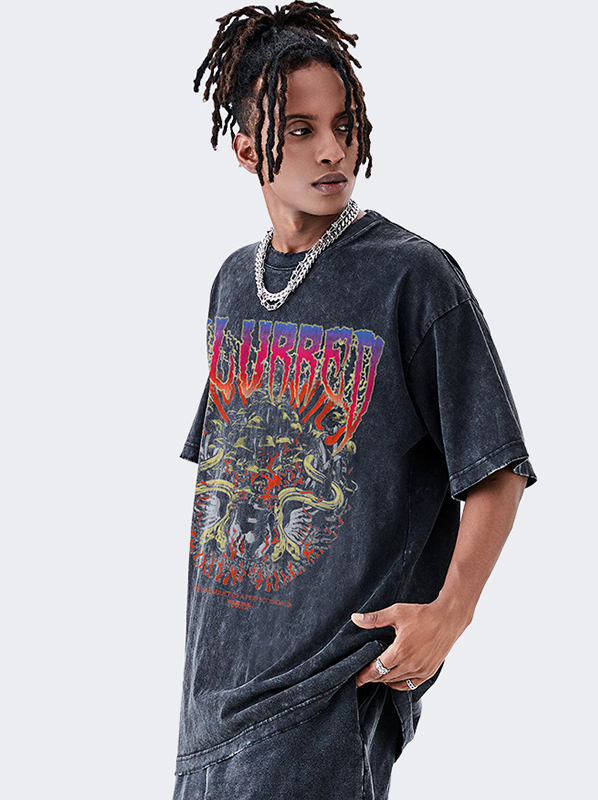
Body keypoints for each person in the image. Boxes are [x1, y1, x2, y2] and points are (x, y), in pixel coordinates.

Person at [171, 3, 537, 799]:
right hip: (212, 706)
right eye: (300, 129)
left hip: (332, 690)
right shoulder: (233, 283)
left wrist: (451, 613)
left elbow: (496, 465)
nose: (333, 150)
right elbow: (222, 481)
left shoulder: (412, 277)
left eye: (344, 125)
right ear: (248, 150)